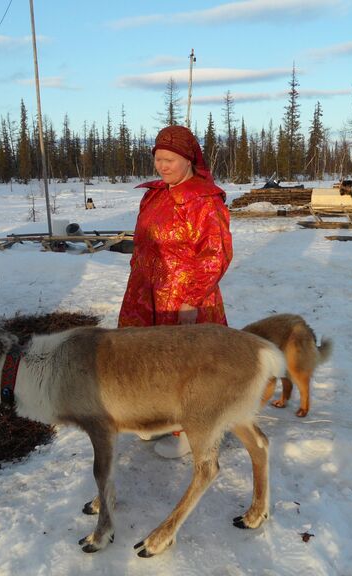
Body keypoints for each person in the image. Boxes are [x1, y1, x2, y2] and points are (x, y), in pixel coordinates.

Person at [118, 125, 233, 458]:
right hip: (147, 293)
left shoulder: (203, 200)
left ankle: (196, 431)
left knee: (188, 366)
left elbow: (216, 253)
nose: (162, 166)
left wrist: (191, 299)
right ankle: (160, 418)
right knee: (150, 361)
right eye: (158, 159)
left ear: (189, 160)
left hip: (185, 296)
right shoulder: (154, 194)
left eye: (170, 160)